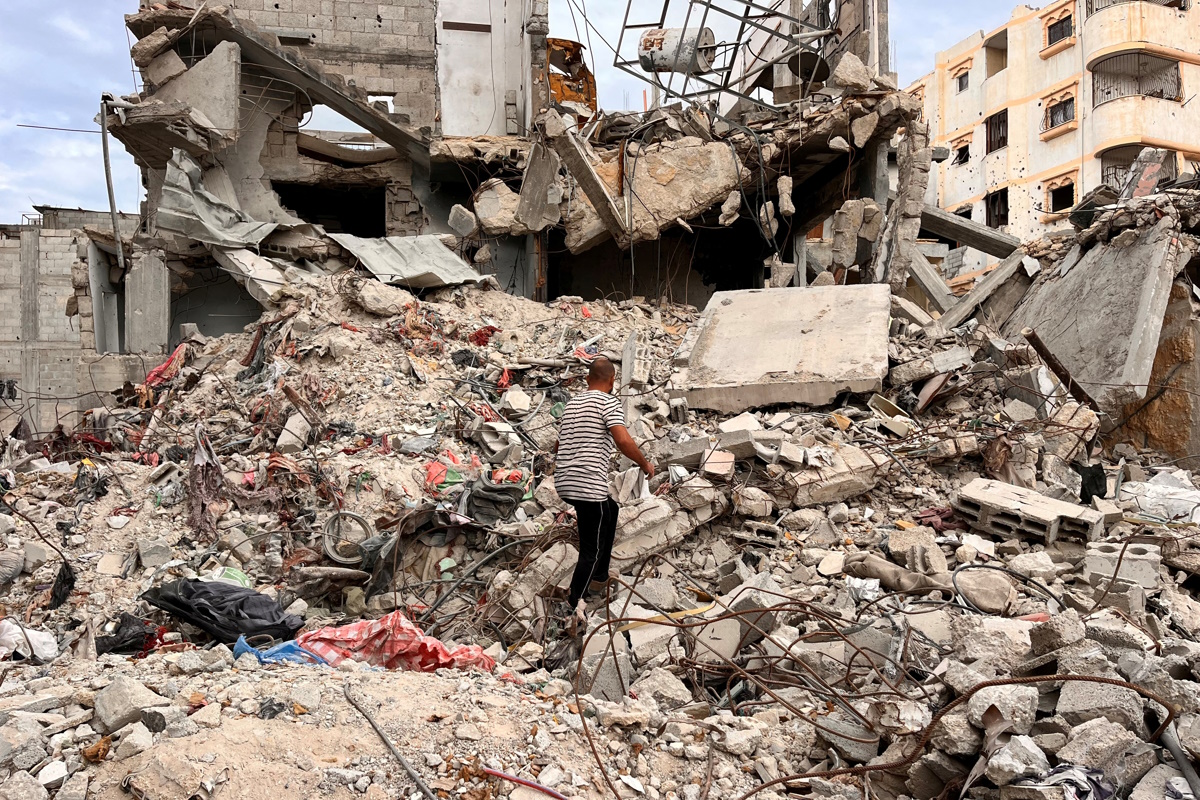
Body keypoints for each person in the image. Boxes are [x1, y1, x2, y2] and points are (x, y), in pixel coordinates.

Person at [553, 357, 654, 619]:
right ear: (611, 382)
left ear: (588, 379)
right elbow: (622, 438)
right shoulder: (609, 402)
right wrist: (644, 464)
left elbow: (558, 445)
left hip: (565, 480)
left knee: (610, 510)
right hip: (588, 484)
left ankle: (599, 576)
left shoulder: (573, 404)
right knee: (591, 548)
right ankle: (575, 601)